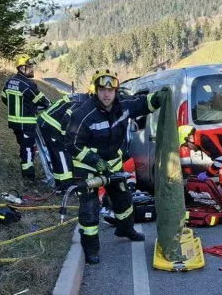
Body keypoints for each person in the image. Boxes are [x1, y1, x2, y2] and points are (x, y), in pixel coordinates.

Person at [62, 69, 162, 264]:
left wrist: (158, 98)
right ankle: (91, 248)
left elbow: (143, 104)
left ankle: (125, 229)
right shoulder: (83, 113)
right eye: (102, 89)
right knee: (90, 208)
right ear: (95, 90)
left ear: (116, 91)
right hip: (87, 167)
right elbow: (72, 144)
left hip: (113, 164)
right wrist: (94, 160)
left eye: (110, 90)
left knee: (123, 200)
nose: (106, 94)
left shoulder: (123, 105)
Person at [1, 54, 51, 180]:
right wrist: (49, 104)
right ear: (22, 68)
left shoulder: (10, 82)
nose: (32, 69)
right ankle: (28, 177)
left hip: (14, 123)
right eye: (29, 67)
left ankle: (25, 166)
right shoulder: (28, 85)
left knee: (24, 146)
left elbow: (4, 97)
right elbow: (41, 100)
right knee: (28, 149)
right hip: (27, 123)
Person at [37, 91, 86, 190]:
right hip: (53, 125)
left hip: (47, 122)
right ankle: (65, 186)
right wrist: (66, 137)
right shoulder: (84, 103)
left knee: (56, 156)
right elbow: (68, 117)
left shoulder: (81, 97)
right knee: (62, 154)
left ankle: (59, 183)